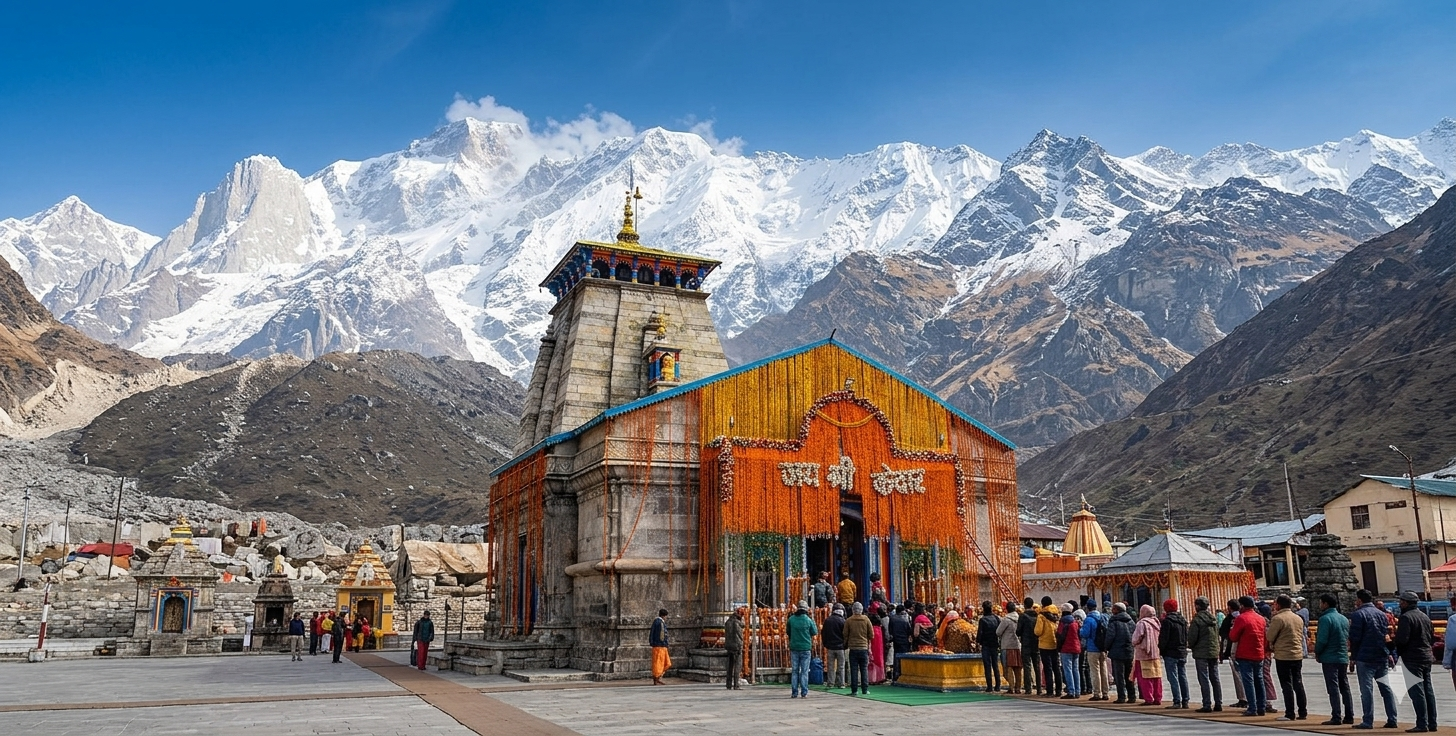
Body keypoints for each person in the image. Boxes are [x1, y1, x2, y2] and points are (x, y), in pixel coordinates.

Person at [1350, 588, 1400, 729]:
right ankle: (1392, 718)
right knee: (1386, 689)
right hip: (1381, 655)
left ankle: (1368, 720)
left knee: (1366, 690)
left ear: (1359, 600)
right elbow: (1385, 634)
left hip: (1365, 657)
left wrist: (1353, 657)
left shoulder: (1358, 615)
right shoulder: (1382, 614)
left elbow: (1355, 638)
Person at [1395, 590, 1437, 732]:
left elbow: (1402, 640)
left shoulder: (1406, 617)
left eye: (1401, 601)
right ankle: (1432, 723)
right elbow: (1431, 636)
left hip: (1412, 658)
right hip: (1426, 656)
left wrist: (1393, 646)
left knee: (1417, 692)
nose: (1399, 604)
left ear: (1405, 603)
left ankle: (1421, 724)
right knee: (1428, 691)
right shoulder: (1424, 616)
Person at [1314, 593, 1353, 725]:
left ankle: (1336, 716)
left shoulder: (1325, 619)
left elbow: (1322, 640)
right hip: (1342, 656)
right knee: (1345, 686)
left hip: (1329, 657)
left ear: (1325, 604)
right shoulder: (1343, 618)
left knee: (1333, 687)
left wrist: (1317, 652)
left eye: (1321, 603)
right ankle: (1349, 715)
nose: (1320, 605)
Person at [1268, 594, 1309, 721]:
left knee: (1286, 684)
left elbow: (1270, 636)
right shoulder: (1298, 618)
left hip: (1283, 655)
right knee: (1298, 682)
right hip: (1297, 654)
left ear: (1278, 605)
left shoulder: (1278, 618)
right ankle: (1302, 711)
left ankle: (1290, 712)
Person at [1230, 595, 1269, 717]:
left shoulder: (1241, 618)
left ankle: (1252, 707)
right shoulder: (1261, 618)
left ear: (1242, 606)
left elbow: (1233, 636)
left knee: (1248, 681)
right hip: (1259, 653)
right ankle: (1261, 707)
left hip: (1245, 653)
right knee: (1259, 680)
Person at [1188, 597, 1223, 712]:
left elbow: (1192, 637)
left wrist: (1191, 645)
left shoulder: (1197, 620)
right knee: (1215, 677)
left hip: (1201, 652)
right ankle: (1218, 703)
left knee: (1203, 678)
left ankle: (1207, 704)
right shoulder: (1214, 619)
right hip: (1213, 650)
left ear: (1197, 606)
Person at [1160, 598, 1190, 709]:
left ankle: (1177, 700)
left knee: (1173, 677)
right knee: (1182, 676)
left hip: (1171, 652)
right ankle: (1185, 700)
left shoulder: (1167, 621)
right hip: (1182, 651)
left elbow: (1164, 638)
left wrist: (1161, 650)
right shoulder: (1183, 620)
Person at [1133, 604, 1165, 706]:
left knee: (1145, 677)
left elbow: (1136, 638)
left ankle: (1148, 698)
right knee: (1156, 677)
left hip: (1144, 654)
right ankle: (1158, 698)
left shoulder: (1141, 623)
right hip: (1156, 653)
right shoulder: (1157, 622)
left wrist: (1134, 642)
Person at [1220, 598, 1248, 709]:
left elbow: (1223, 633)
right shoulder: (1243, 617)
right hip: (1247, 649)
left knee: (1238, 675)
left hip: (1234, 648)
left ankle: (1243, 698)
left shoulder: (1231, 619)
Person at [1106, 602, 1137, 704]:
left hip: (1117, 651)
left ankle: (1121, 696)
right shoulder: (1131, 621)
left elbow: (1110, 637)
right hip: (1128, 651)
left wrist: (1107, 647)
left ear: (1117, 610)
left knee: (1119, 675)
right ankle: (1132, 696)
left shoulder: (1114, 622)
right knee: (1129, 675)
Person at [787, 601, 818, 698]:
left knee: (795, 670)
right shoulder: (808, 620)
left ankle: (794, 692)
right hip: (805, 648)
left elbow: (788, 632)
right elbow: (814, 632)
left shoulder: (791, 619)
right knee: (804, 671)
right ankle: (804, 692)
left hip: (794, 647)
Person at [1081, 600, 1110, 701]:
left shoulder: (1089, 619)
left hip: (1093, 647)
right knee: (1104, 669)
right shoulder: (1103, 617)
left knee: (1094, 671)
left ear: (1087, 608)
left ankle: (1097, 693)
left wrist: (1080, 628)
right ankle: (1106, 692)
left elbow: (1085, 634)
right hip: (1103, 647)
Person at [1036, 596, 1063, 696]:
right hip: (1054, 643)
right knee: (1056, 667)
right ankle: (1059, 690)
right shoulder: (1057, 614)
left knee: (1048, 668)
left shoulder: (1041, 616)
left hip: (1044, 644)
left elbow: (1038, 631)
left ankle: (1050, 690)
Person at [846, 602, 874, 696]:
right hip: (863, 647)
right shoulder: (866, 619)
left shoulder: (849, 620)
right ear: (861, 610)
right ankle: (865, 689)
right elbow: (871, 634)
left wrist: (847, 643)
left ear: (853, 610)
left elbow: (845, 634)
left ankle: (854, 690)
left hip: (853, 648)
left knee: (854, 669)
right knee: (864, 669)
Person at [1057, 603, 1083, 699]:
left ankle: (1071, 690)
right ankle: (1077, 690)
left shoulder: (1063, 622)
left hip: (1066, 648)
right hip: (1076, 647)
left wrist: (1058, 647)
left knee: (1068, 670)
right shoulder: (1075, 622)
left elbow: (1060, 636)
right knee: (1075, 670)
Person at [1018, 597, 1043, 695]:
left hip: (1026, 643)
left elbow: (1018, 631)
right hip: (1036, 643)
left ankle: (1028, 688)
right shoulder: (1038, 616)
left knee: (1027, 666)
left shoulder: (1023, 616)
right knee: (1037, 666)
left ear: (1024, 605)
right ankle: (1039, 688)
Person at [999, 602, 1024, 694]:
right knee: (1018, 668)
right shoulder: (1020, 618)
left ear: (1007, 609)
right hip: (1017, 645)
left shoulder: (1006, 619)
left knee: (1008, 668)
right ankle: (1018, 688)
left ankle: (1011, 687)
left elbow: (998, 632)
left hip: (1007, 645)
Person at [822, 605, 848, 689]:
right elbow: (846, 634)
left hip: (830, 647)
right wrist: (845, 645)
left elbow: (824, 634)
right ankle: (841, 683)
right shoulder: (843, 621)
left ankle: (830, 682)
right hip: (840, 647)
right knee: (841, 666)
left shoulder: (827, 620)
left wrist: (825, 644)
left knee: (830, 666)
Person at [978, 601, 1003, 692]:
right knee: (995, 664)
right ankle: (998, 685)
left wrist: (978, 642)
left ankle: (989, 686)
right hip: (994, 644)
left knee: (987, 665)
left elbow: (980, 633)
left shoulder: (983, 620)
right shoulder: (996, 618)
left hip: (986, 645)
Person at [724, 607, 745, 690]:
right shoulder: (737, 623)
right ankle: (736, 684)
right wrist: (741, 645)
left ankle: (728, 684)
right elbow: (740, 635)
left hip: (728, 645)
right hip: (736, 646)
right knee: (737, 665)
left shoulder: (727, 622)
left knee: (729, 665)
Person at [889, 604, 912, 680]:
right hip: (904, 640)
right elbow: (909, 630)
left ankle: (896, 675)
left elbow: (890, 630)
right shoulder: (906, 619)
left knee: (896, 657)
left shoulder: (892, 618)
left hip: (896, 640)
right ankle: (904, 674)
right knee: (904, 657)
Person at [650, 608, 671, 685]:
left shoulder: (658, 622)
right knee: (659, 663)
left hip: (660, 645)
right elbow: (662, 635)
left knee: (664, 663)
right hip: (659, 645)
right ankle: (656, 678)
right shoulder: (659, 623)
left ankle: (658, 677)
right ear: (664, 616)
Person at [868, 606, 887, 684]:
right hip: (880, 648)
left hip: (872, 647)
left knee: (872, 662)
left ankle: (872, 678)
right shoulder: (880, 629)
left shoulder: (871, 629)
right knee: (879, 661)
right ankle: (880, 677)